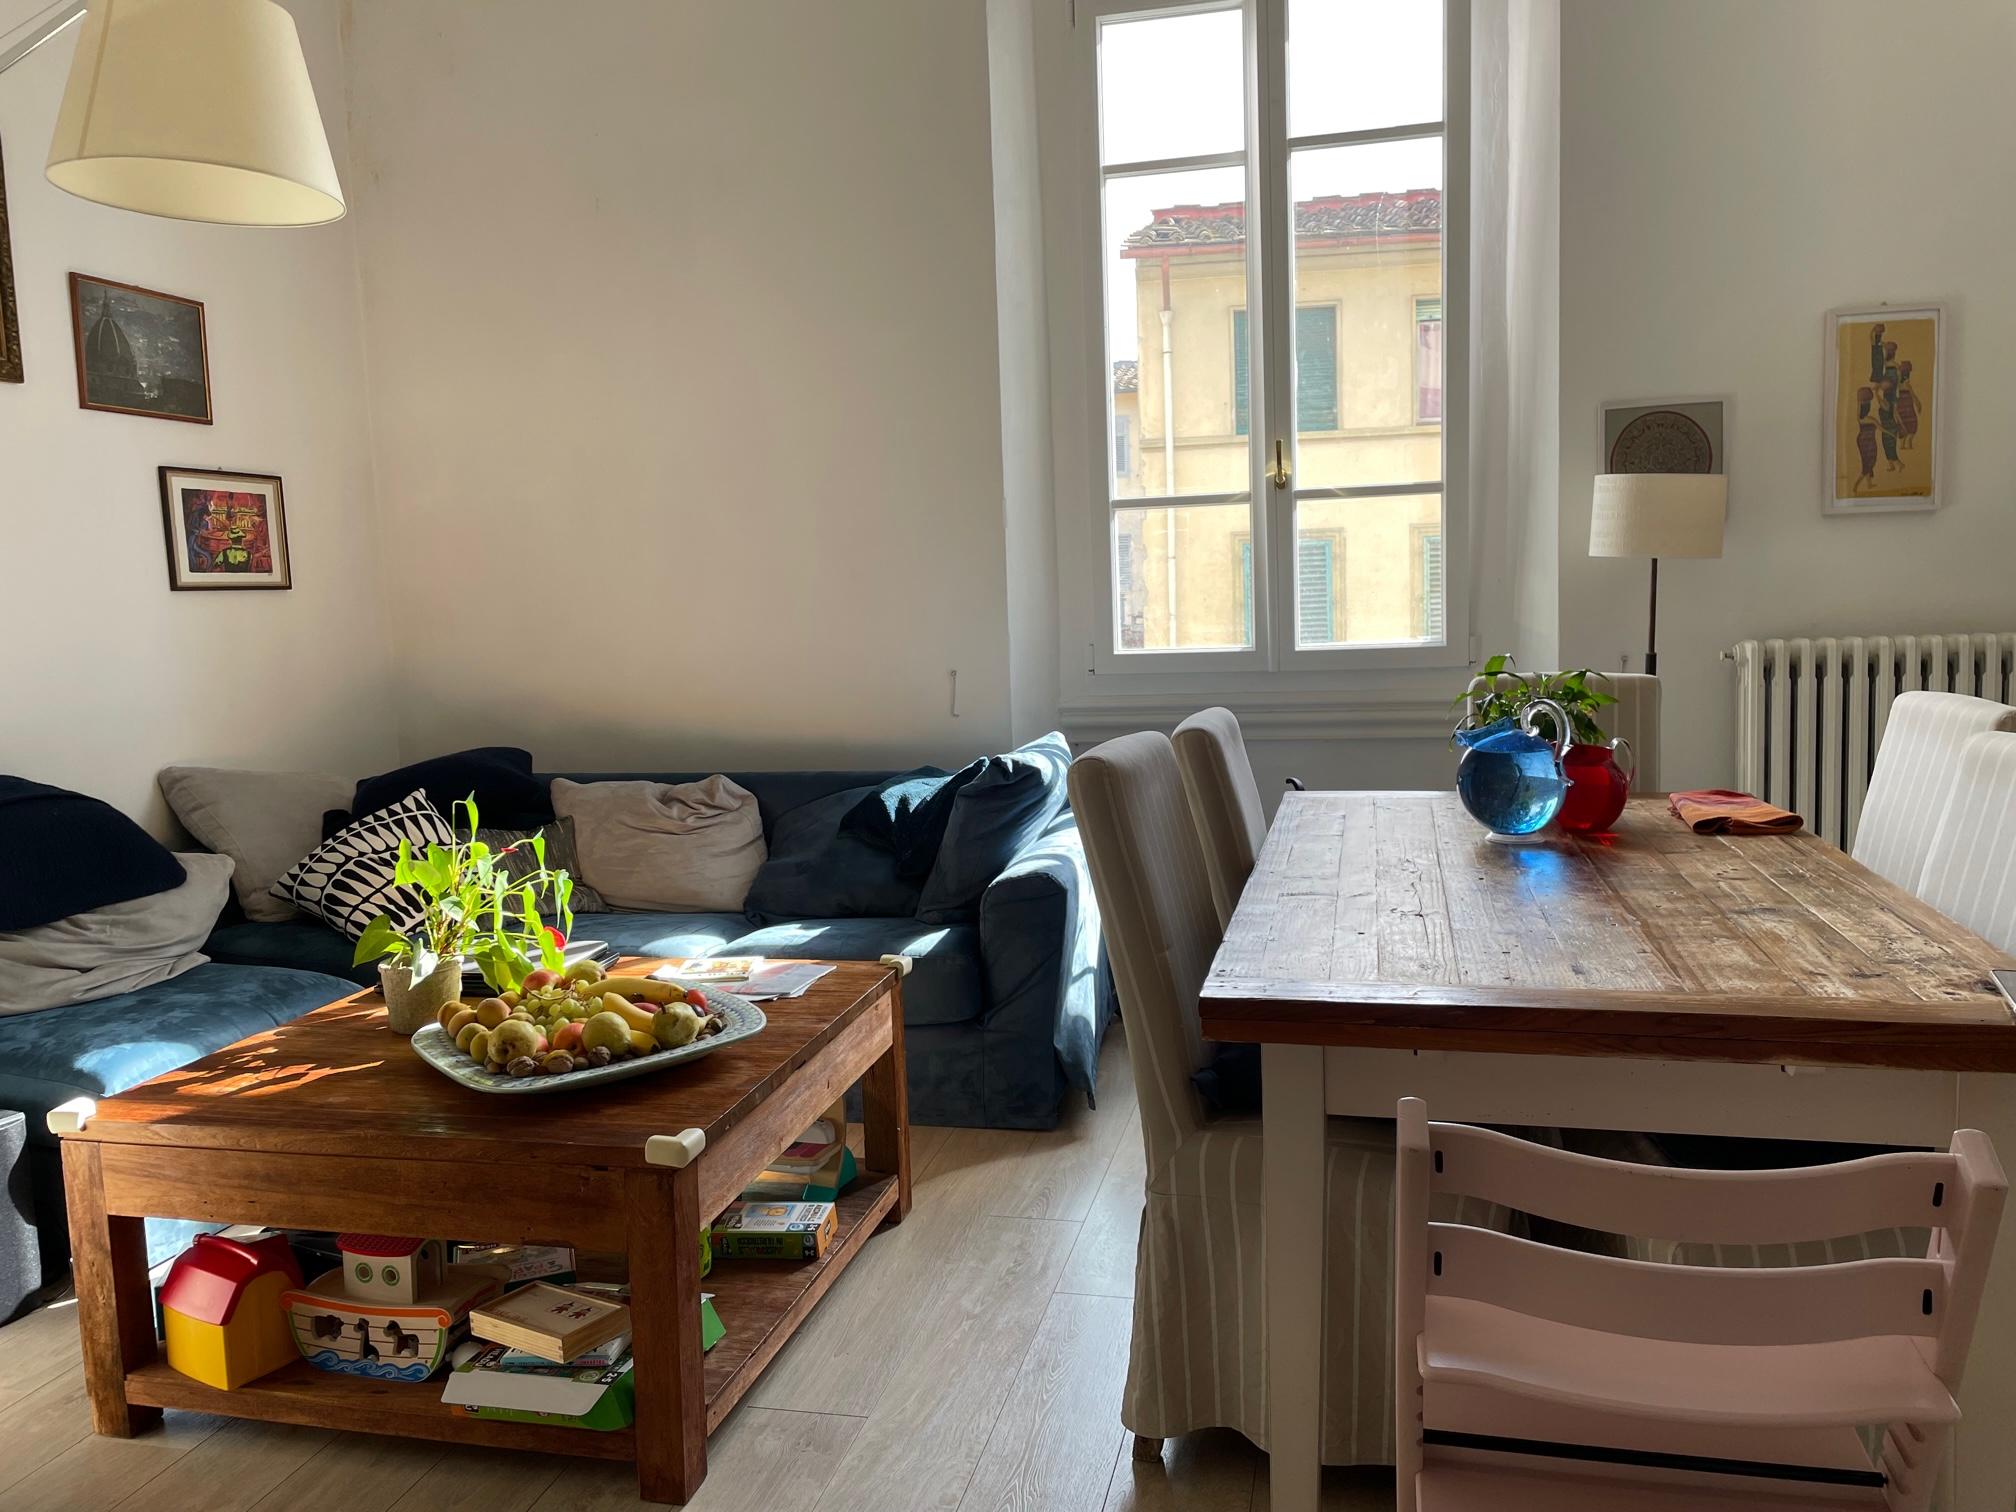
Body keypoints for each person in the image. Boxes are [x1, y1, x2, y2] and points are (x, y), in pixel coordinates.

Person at [1852, 385, 1879, 492]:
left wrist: (1860, 399)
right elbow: (1881, 428)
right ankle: (1856, 486)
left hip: (1863, 440)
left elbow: (1859, 405)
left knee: (1867, 462)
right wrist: (1890, 433)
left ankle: (1869, 484)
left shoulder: (1860, 418)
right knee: (1868, 464)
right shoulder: (1870, 419)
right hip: (1868, 442)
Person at [1896, 358, 1923, 451]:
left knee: (1911, 428)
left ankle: (1908, 447)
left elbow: (1913, 396)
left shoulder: (1903, 384)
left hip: (1908, 408)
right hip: (1903, 408)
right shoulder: (1902, 385)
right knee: (1907, 429)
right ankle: (1906, 447)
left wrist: (1917, 403)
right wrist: (1917, 403)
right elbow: (1912, 395)